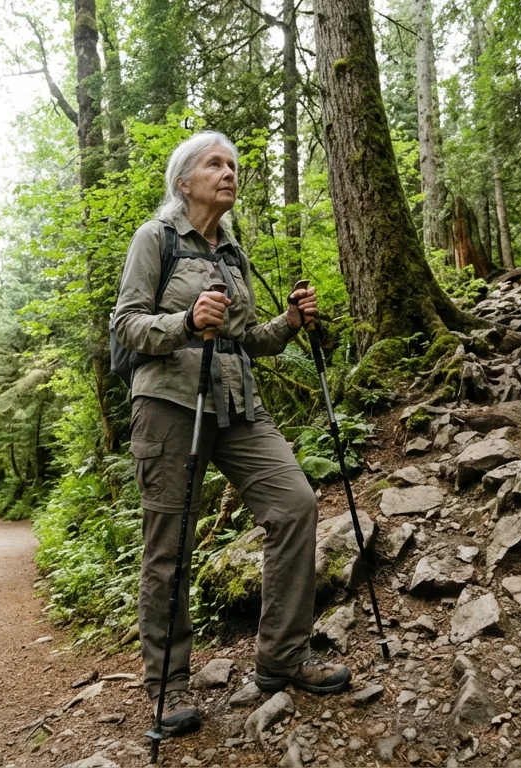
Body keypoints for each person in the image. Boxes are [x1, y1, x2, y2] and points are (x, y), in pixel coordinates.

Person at [112, 131, 352, 737]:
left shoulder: (233, 254)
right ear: (183, 180)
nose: (228, 173)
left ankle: (282, 657)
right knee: (170, 548)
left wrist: (292, 322)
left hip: (238, 405)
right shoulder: (157, 239)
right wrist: (185, 322)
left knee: (294, 504)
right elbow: (126, 326)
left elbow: (251, 341)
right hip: (169, 405)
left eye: (233, 166)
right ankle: (168, 689)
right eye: (214, 164)